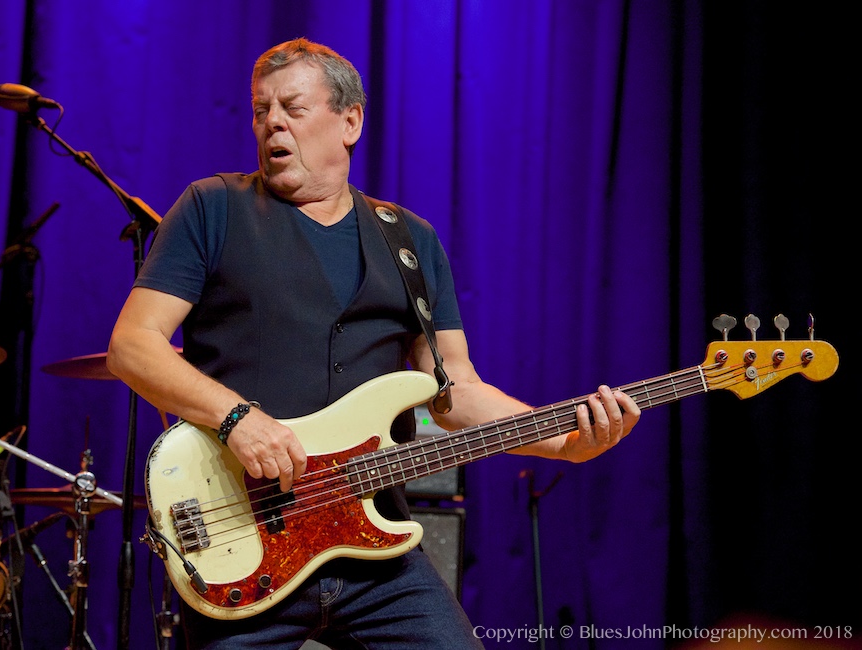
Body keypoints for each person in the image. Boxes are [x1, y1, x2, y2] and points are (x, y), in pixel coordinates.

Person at [107, 37, 640, 650]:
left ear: (350, 121)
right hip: (248, 542)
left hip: (372, 548)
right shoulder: (212, 208)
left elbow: (454, 393)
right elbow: (132, 345)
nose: (272, 121)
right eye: (261, 110)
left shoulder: (409, 240)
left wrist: (565, 444)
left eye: (293, 107)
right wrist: (238, 420)